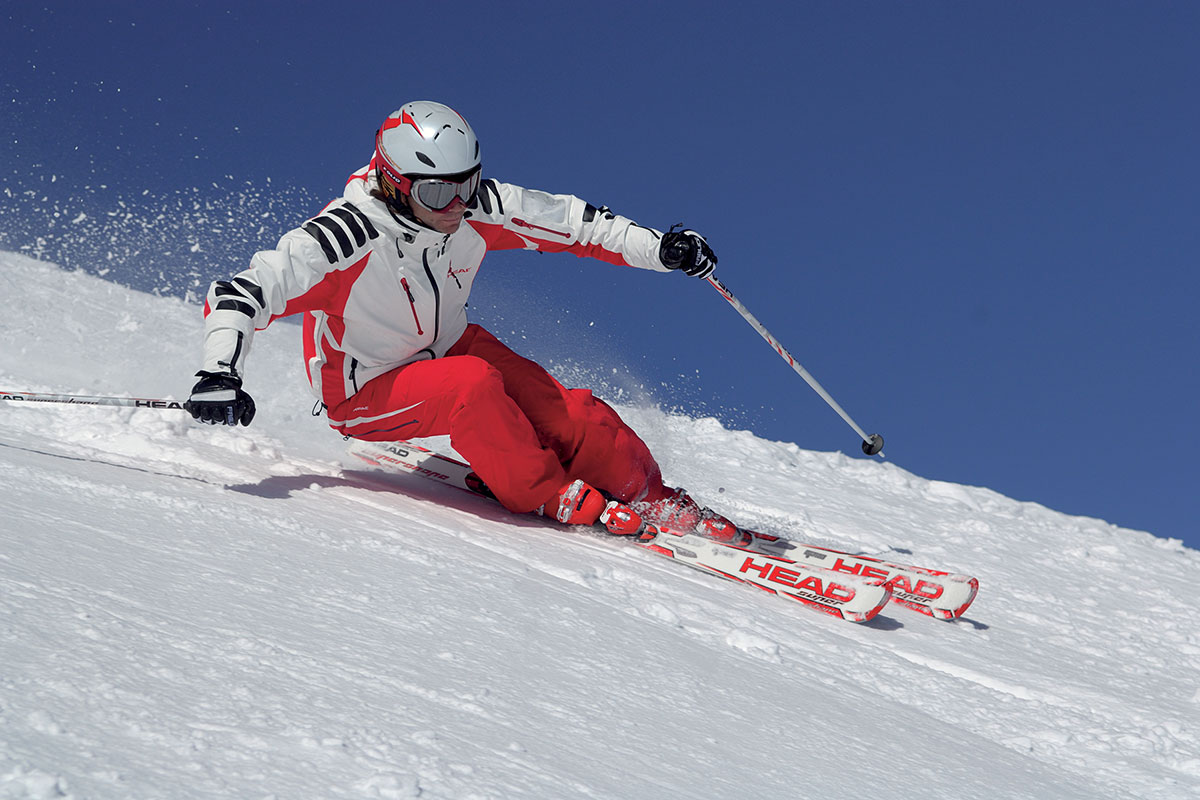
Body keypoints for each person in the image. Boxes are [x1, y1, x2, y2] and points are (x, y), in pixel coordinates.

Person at [185, 100, 728, 534]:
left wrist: (660, 248)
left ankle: (647, 491)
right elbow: (244, 292)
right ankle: (540, 490)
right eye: (437, 190)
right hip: (367, 388)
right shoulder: (347, 237)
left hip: (450, 346)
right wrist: (219, 372)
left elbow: (573, 222)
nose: (456, 204)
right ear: (395, 183)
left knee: (567, 413)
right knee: (472, 385)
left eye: (466, 184)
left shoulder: (470, 208)